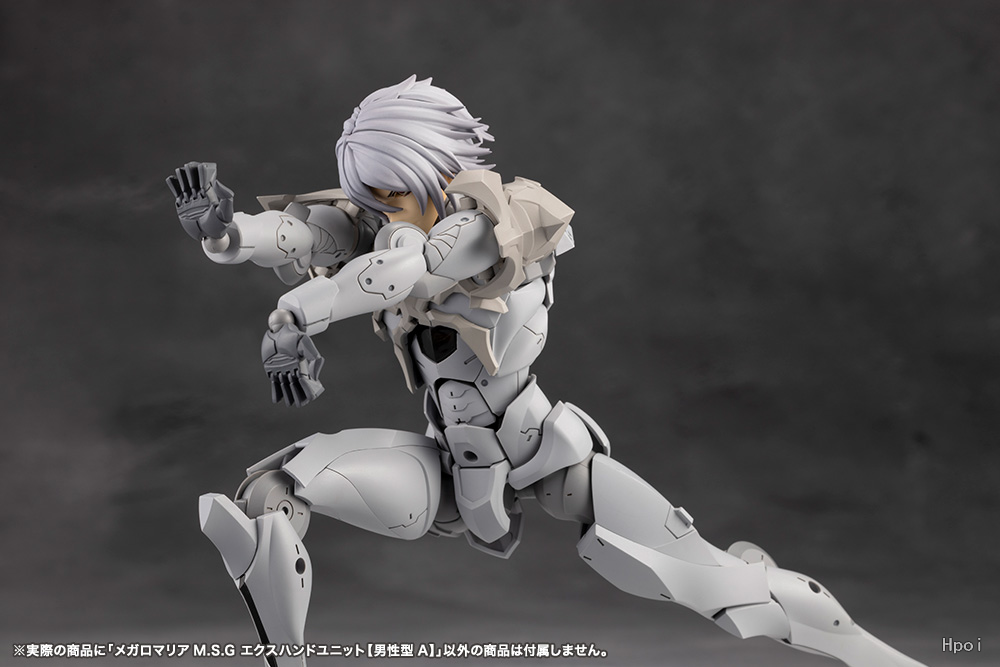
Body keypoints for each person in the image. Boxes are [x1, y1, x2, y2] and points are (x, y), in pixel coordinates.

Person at [168, 75, 925, 667]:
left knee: (724, 587)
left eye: (391, 192)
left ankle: (873, 654)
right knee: (275, 492)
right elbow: (298, 233)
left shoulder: (486, 223)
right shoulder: (383, 225)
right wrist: (225, 232)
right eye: (370, 197)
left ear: (432, 170)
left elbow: (400, 273)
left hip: (543, 455)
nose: (380, 211)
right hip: (448, 467)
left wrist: (298, 312)